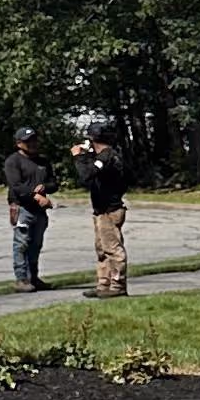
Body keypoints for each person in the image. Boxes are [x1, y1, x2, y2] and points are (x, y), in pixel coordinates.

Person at [70, 121, 130, 296]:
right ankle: (104, 284)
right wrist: (87, 157)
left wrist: (78, 157)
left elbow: (86, 176)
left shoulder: (107, 156)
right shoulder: (107, 156)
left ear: (92, 138)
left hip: (109, 210)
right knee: (102, 249)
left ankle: (118, 286)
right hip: (102, 210)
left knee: (113, 249)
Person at [1, 128, 51, 288]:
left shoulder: (43, 162)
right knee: (21, 243)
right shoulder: (13, 161)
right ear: (19, 143)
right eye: (28, 141)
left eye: (34, 140)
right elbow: (16, 186)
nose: (32, 143)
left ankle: (33, 277)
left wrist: (45, 187)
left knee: (36, 244)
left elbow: (54, 183)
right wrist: (35, 195)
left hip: (39, 210)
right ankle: (21, 278)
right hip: (22, 207)